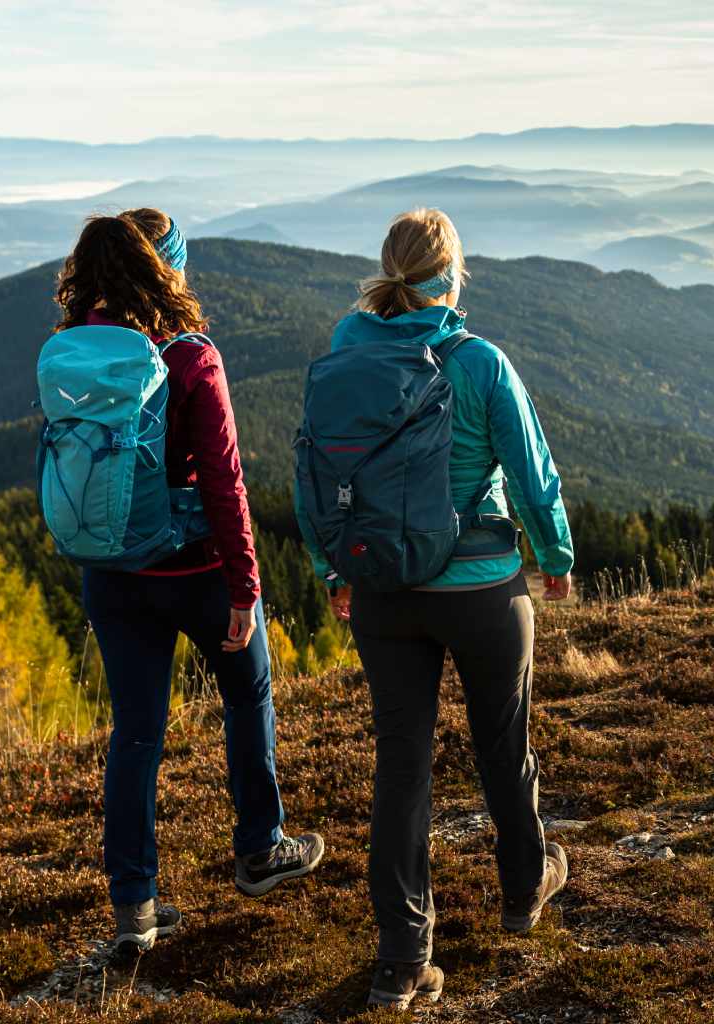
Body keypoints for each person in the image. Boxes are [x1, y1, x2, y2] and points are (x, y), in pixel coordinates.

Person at [296, 208, 575, 1010]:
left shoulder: (345, 360)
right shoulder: (481, 363)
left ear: (386, 272)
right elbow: (532, 471)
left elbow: (309, 476)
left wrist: (331, 569)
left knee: (403, 767)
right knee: (502, 744)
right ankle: (523, 891)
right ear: (453, 275)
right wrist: (553, 558)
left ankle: (401, 962)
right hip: (483, 588)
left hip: (383, 591)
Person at [53, 208, 324, 957]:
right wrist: (245, 587)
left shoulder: (71, 349)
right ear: (168, 269)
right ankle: (261, 849)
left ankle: (134, 909)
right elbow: (226, 484)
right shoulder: (190, 356)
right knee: (248, 694)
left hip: (112, 574)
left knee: (136, 735)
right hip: (198, 569)